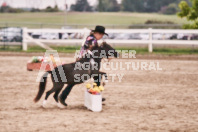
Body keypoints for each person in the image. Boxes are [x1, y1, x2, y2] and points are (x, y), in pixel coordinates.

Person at [58, 25, 108, 106]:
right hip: (84, 62)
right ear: (97, 33)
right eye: (101, 34)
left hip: (84, 61)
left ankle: (97, 95)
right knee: (76, 79)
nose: (102, 36)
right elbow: (93, 51)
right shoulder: (92, 40)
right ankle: (63, 96)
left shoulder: (92, 38)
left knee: (96, 76)